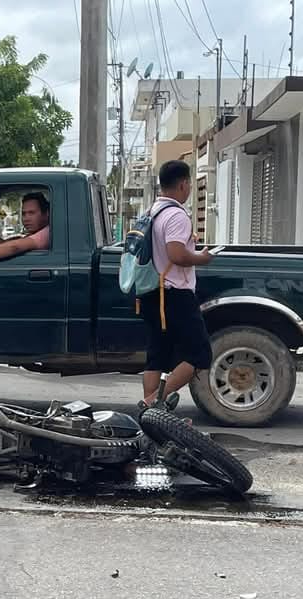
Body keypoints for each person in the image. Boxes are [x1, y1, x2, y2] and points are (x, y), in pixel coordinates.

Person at [137, 160, 214, 413]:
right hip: (174, 295)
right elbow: (177, 255)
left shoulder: (151, 212)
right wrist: (201, 258)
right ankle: (151, 404)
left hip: (149, 292)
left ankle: (152, 416)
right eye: (190, 183)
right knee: (199, 354)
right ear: (183, 184)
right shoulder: (177, 214)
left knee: (157, 354)